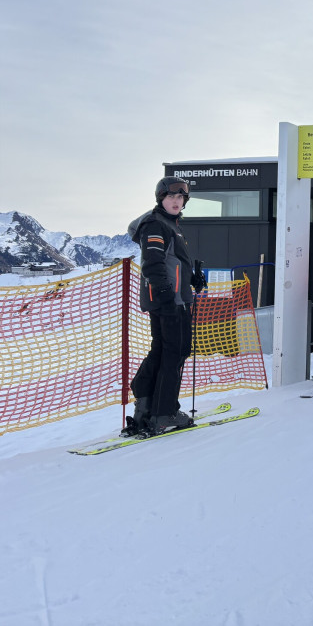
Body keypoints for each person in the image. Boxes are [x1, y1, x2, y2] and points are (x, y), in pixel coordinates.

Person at [126, 176, 208, 434]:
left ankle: (147, 406)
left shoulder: (170, 224)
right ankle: (165, 413)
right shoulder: (156, 224)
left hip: (173, 297)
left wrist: (191, 277)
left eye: (181, 197)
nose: (176, 201)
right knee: (176, 352)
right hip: (169, 301)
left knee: (164, 350)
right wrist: (165, 294)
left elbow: (171, 261)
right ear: (161, 198)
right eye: (171, 197)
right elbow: (153, 262)